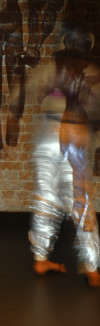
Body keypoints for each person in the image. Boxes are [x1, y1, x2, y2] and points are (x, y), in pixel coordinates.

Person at [28, 24, 100, 287]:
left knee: (45, 195)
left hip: (51, 132)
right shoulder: (91, 74)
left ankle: (41, 258)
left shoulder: (49, 71)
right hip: (74, 132)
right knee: (80, 200)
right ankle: (90, 266)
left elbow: (28, 95)